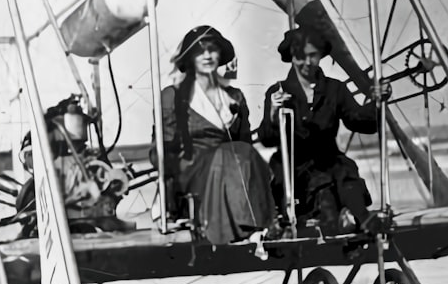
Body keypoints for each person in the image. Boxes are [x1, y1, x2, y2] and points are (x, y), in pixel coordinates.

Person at [258, 26, 390, 234]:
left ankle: (364, 221)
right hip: (294, 168)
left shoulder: (334, 89)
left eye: (313, 56)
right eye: (300, 57)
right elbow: (267, 139)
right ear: (291, 56)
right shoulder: (278, 92)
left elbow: (360, 122)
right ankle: (344, 229)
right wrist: (274, 114)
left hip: (329, 160)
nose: (307, 63)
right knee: (323, 186)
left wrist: (376, 102)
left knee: (346, 178)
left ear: (321, 55)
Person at [156, 25, 276, 246]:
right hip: (191, 168)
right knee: (229, 154)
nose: (207, 55)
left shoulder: (234, 97)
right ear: (190, 58)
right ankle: (247, 228)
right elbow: (161, 151)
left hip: (229, 164)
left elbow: (245, 143)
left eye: (212, 49)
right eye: (200, 51)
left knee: (242, 153)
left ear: (220, 55)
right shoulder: (172, 96)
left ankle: (263, 224)